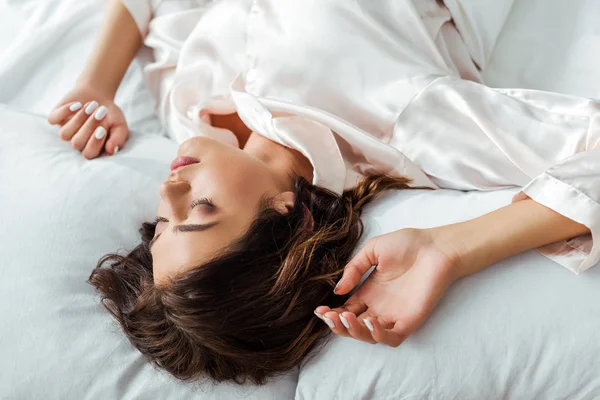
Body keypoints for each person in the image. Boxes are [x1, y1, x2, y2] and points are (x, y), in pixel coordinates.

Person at [48, 0, 599, 384]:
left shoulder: (183, 111)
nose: (169, 186)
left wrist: (96, 82)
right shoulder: (396, 123)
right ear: (289, 217)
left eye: (161, 224)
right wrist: (450, 248)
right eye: (200, 209)